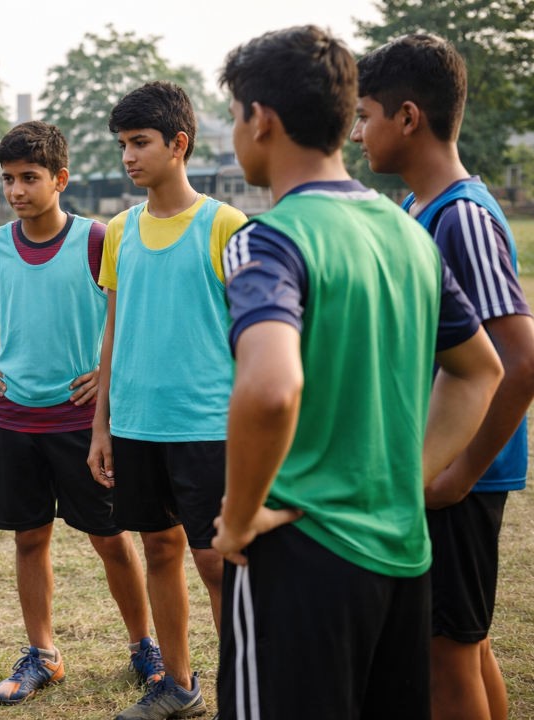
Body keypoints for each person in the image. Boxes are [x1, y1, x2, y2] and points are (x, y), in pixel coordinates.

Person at [213, 25, 505, 720]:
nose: (233, 132)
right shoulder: (407, 232)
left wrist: (239, 513)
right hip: (402, 556)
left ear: (262, 120)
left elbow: (271, 387)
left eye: (232, 115)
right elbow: (478, 372)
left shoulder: (269, 239)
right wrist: (409, 474)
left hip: (299, 555)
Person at [352, 33, 534, 720]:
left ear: (407, 117)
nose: (358, 132)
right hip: (431, 470)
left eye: (365, 114)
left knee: (445, 659)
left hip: (458, 480)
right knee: (469, 646)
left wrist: (455, 477)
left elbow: (522, 361)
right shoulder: (416, 210)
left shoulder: (460, 218)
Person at [0, 120, 158, 706]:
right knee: (29, 538)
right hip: (16, 421)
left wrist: (107, 376)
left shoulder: (97, 240)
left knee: (111, 537)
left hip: (82, 423)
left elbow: (132, 314)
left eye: (29, 178)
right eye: (9, 179)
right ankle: (42, 653)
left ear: (59, 179)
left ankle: (145, 645)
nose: (16, 190)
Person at [87, 81, 248, 720]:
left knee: (217, 565)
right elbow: (113, 329)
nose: (128, 156)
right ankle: (177, 685)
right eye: (123, 144)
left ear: (179, 144)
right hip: (136, 424)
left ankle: (244, 689)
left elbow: (252, 334)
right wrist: (101, 423)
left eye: (141, 142)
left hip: (208, 427)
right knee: (160, 549)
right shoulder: (120, 230)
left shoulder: (225, 224)